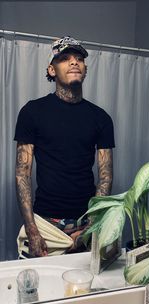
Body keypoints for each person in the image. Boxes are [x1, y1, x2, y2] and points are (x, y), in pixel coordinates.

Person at [14, 36, 115, 257]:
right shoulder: (32, 112)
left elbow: (105, 176)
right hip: (45, 225)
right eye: (64, 58)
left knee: (87, 290)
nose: (74, 62)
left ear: (85, 70)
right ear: (51, 70)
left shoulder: (101, 118)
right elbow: (22, 174)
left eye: (79, 58)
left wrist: (91, 226)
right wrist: (32, 229)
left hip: (86, 222)